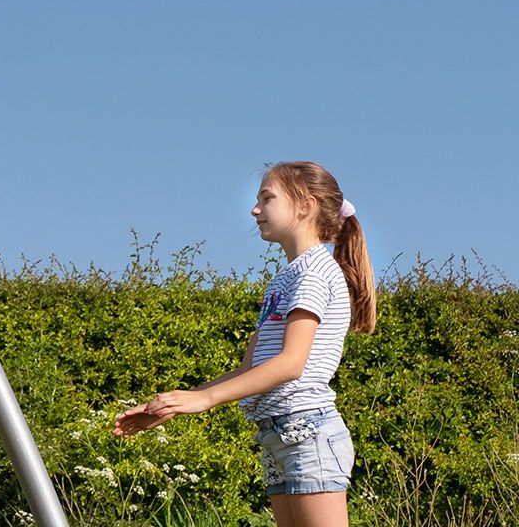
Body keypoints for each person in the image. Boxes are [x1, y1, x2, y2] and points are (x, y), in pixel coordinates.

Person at [113, 161, 375, 526]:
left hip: (306, 432)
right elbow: (249, 369)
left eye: (267, 198)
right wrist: (173, 405)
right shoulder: (287, 279)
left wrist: (204, 401)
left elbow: (290, 363)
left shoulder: (315, 272)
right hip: (278, 435)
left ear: (305, 205)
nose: (255, 210)